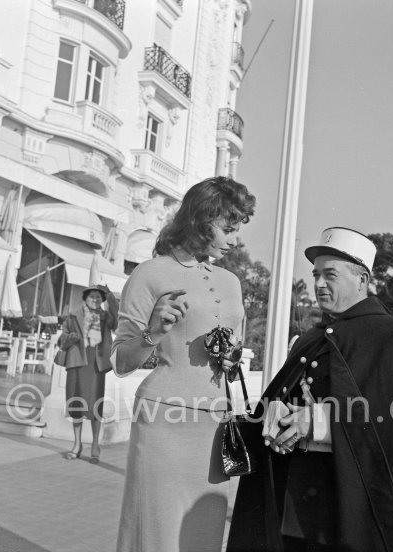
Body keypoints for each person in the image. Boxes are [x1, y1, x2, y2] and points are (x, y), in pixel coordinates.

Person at [227, 227, 393, 552]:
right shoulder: (311, 337)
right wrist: (276, 412)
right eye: (315, 274)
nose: (318, 284)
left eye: (330, 274)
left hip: (354, 504)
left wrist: (315, 422)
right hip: (295, 495)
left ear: (362, 279)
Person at [112, 177, 255, 552]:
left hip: (214, 428)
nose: (234, 240)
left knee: (203, 537)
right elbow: (120, 362)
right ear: (200, 219)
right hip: (164, 424)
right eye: (228, 229)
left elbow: (234, 350)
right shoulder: (150, 273)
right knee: (157, 534)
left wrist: (232, 354)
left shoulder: (231, 282)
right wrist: (154, 331)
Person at [58, 284, 118, 463]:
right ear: (85, 298)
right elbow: (62, 340)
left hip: (96, 365)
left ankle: (94, 444)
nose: (95, 299)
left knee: (95, 406)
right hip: (77, 363)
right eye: (92, 296)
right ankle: (77, 444)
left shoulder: (105, 316)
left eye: (99, 297)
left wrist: (111, 298)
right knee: (76, 404)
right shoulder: (73, 315)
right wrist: (71, 338)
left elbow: (117, 323)